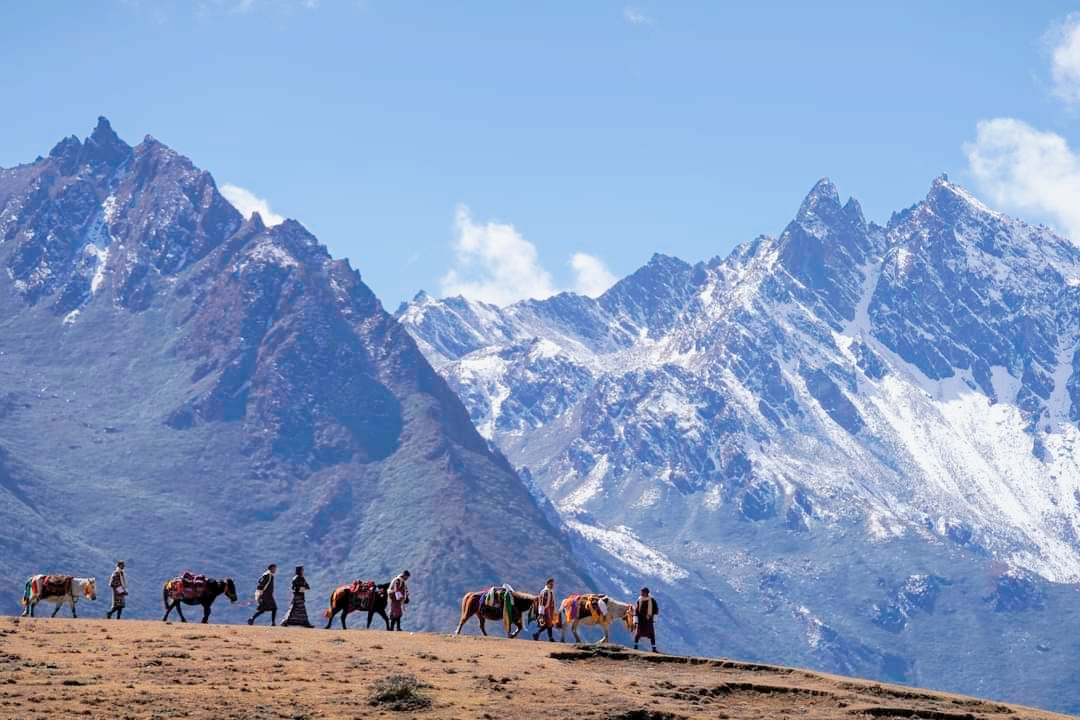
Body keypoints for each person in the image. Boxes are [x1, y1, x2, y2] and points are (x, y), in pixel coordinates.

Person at [633, 587, 659, 652]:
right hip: (641, 619)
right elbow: (637, 609)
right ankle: (635, 646)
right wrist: (635, 619)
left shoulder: (652, 600)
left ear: (647, 593)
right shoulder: (639, 599)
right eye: (641, 592)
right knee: (638, 633)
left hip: (648, 619)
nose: (641, 593)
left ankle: (654, 648)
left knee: (651, 634)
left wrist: (654, 618)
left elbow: (655, 609)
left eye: (643, 592)